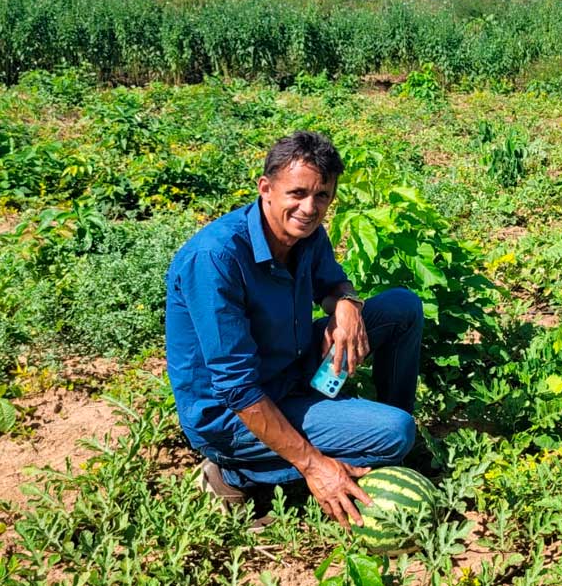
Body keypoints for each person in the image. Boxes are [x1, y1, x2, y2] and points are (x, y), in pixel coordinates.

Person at [165, 131, 422, 529]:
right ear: (266, 188)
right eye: (297, 193)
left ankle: (381, 448)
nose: (309, 208)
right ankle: (232, 475)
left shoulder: (308, 235)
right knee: (395, 431)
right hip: (234, 415)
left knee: (402, 307)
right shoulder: (215, 259)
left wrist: (347, 305)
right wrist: (314, 465)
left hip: (291, 368)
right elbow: (238, 389)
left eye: (322, 196)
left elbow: (333, 285)